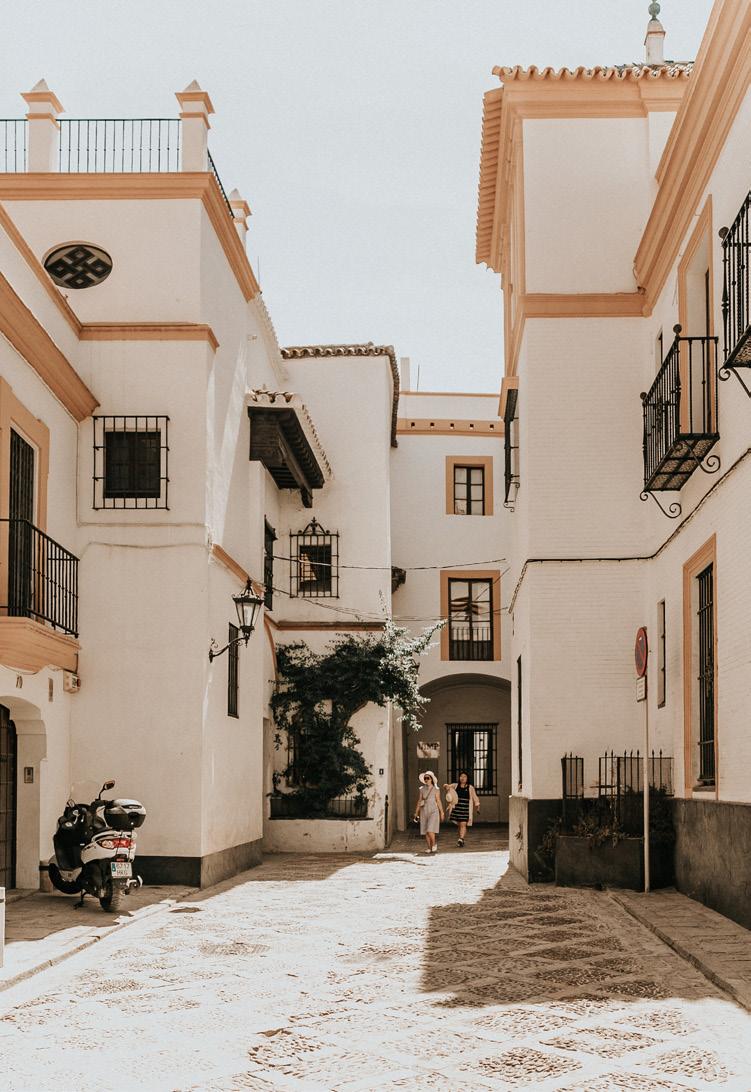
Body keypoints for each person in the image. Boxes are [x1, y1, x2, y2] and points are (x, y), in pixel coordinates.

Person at [445, 771, 480, 847]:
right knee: (459, 825)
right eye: (461, 776)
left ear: (467, 778)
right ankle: (461, 839)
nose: (462, 778)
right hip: (456, 808)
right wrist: (446, 786)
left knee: (463, 824)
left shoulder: (470, 787)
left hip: (465, 809)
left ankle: (461, 839)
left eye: (464, 776)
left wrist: (477, 805)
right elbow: (446, 786)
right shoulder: (455, 785)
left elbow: (475, 797)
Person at [414, 771, 444, 854]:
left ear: (431, 779)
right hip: (424, 810)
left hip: (434, 810)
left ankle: (434, 844)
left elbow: (438, 801)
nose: (426, 779)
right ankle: (429, 848)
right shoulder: (421, 789)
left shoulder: (436, 789)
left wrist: (442, 812)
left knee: (430, 829)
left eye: (428, 778)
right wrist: (416, 812)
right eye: (425, 778)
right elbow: (419, 800)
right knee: (425, 830)